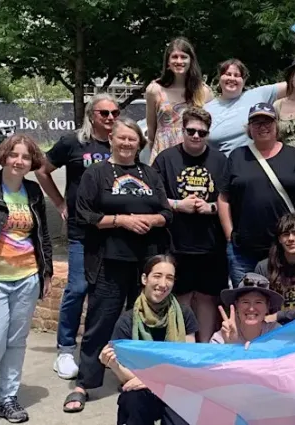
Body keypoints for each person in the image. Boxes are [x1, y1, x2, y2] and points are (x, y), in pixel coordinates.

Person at [64, 117, 172, 413]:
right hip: (109, 261)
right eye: (121, 138)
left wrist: (149, 220)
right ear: (111, 140)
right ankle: (85, 383)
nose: (126, 143)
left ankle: (142, 378)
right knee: (100, 321)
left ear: (140, 143)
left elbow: (166, 213)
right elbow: (84, 215)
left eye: (132, 139)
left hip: (146, 263)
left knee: (145, 321)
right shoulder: (96, 173)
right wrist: (121, 220)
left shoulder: (149, 173)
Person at [35, 93, 118, 380]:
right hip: (82, 230)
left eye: (115, 113)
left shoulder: (120, 142)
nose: (110, 118)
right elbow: (42, 170)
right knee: (77, 288)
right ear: (91, 114)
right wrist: (59, 203)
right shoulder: (73, 142)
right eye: (104, 113)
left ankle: (96, 348)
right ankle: (66, 350)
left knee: (104, 292)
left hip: (113, 230)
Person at [0, 135, 53, 424]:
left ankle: (7, 398)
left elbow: (42, 234)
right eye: (14, 155)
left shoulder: (32, 191)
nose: (19, 161)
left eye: (26, 157)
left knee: (16, 342)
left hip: (27, 278)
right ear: (4, 156)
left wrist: (46, 272)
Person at [152, 107, 228, 343]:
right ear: (182, 130)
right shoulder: (165, 159)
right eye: (191, 131)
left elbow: (230, 199)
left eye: (202, 132)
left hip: (211, 243)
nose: (196, 136)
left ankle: (204, 347)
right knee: (180, 297)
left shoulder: (220, 160)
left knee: (207, 298)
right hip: (176, 242)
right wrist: (178, 205)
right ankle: (185, 345)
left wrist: (211, 207)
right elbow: (153, 197)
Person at [218, 103, 295, 285]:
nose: (262, 127)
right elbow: (223, 198)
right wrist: (230, 236)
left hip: (285, 248)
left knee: (286, 298)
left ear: (276, 125)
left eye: (267, 122)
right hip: (244, 250)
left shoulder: (293, 155)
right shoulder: (237, 156)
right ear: (249, 128)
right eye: (257, 123)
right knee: (246, 299)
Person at [98, 255, 197, 425]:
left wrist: (152, 381)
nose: (163, 284)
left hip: (176, 386)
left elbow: (188, 363)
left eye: (169, 278)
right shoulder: (127, 320)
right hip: (142, 389)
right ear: (144, 279)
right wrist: (114, 365)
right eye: (157, 276)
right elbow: (126, 378)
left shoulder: (184, 313)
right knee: (132, 399)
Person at [204, 57, 295, 156]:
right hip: (222, 169)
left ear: (244, 80)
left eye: (237, 75)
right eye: (228, 74)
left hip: (256, 164)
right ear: (219, 78)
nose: (232, 78)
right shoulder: (207, 109)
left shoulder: (259, 94)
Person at [145, 37, 213, 164]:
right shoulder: (154, 90)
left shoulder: (203, 91)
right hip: (163, 152)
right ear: (168, 62)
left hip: (193, 153)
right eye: (174, 57)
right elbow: (151, 131)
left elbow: (208, 128)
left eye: (183, 57)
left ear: (191, 61)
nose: (179, 61)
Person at [212, 273, 283, 344]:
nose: (251, 309)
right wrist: (230, 345)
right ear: (236, 305)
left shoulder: (277, 333)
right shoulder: (221, 337)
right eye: (245, 302)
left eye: (258, 302)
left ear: (267, 306)